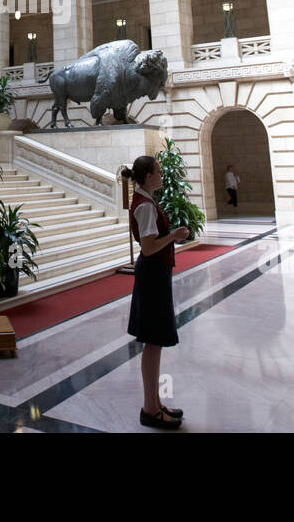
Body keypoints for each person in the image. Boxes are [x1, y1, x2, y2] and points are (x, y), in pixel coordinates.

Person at [122, 155, 190, 429]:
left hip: (154, 274)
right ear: (149, 176)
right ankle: (150, 408)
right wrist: (173, 236)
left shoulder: (145, 200)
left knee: (155, 340)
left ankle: (155, 403)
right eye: (159, 172)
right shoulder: (145, 206)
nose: (162, 175)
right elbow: (148, 247)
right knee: (153, 339)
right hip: (152, 274)